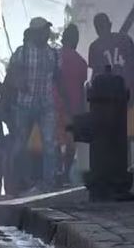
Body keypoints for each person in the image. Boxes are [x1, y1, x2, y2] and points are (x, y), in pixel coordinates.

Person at [6, 17, 66, 193]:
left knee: (49, 143)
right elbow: (11, 76)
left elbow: (58, 78)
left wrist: (63, 100)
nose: (46, 34)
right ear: (34, 33)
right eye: (42, 31)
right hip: (24, 105)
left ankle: (48, 183)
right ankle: (19, 182)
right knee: (20, 144)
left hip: (46, 105)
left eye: (47, 30)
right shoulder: (21, 52)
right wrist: (18, 83)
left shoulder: (53, 54)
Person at [56, 24, 87, 182]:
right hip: (73, 109)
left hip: (56, 107)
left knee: (56, 143)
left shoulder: (55, 56)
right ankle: (65, 174)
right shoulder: (81, 62)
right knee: (69, 145)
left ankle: (57, 174)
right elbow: (81, 89)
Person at [88, 13, 134, 96]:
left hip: (107, 95)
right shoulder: (125, 39)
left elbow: (95, 74)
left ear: (96, 29)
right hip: (125, 91)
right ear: (110, 25)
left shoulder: (95, 47)